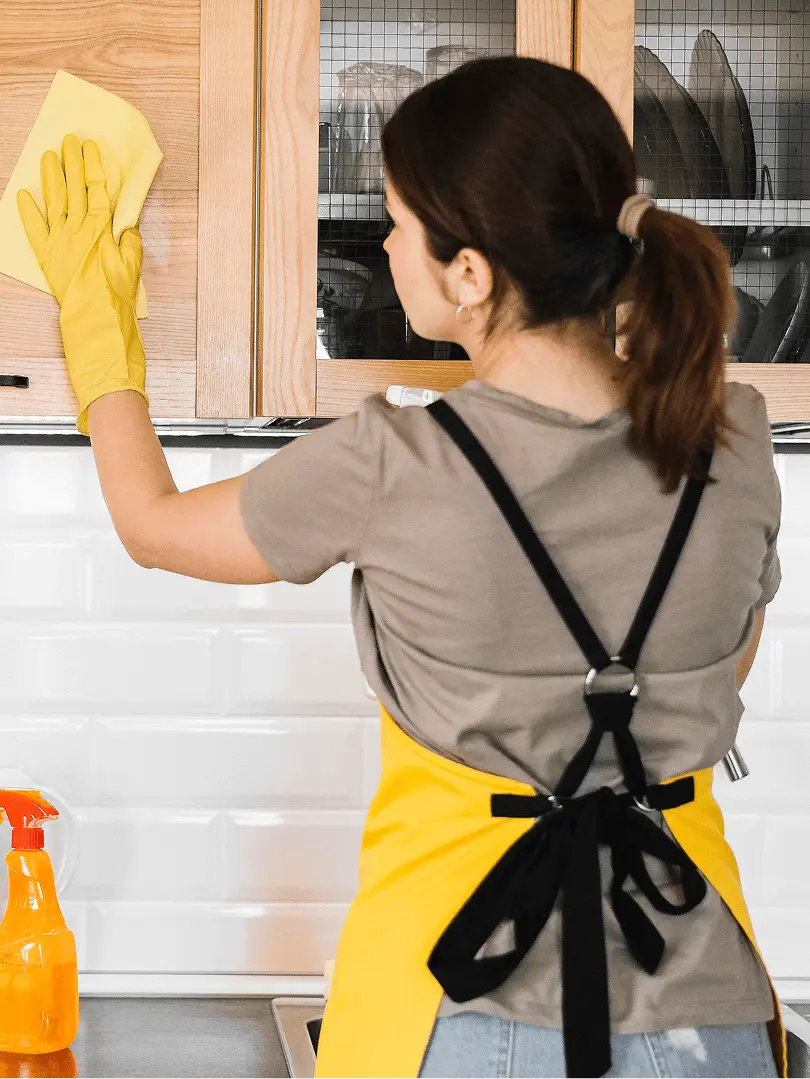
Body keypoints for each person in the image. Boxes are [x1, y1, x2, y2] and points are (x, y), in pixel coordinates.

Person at [17, 56, 783, 1079]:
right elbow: (716, 674)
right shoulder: (733, 441)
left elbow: (153, 524)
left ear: (470, 275)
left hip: (467, 998)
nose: (383, 244)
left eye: (398, 222)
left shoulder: (396, 464)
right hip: (703, 1004)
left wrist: (96, 327)